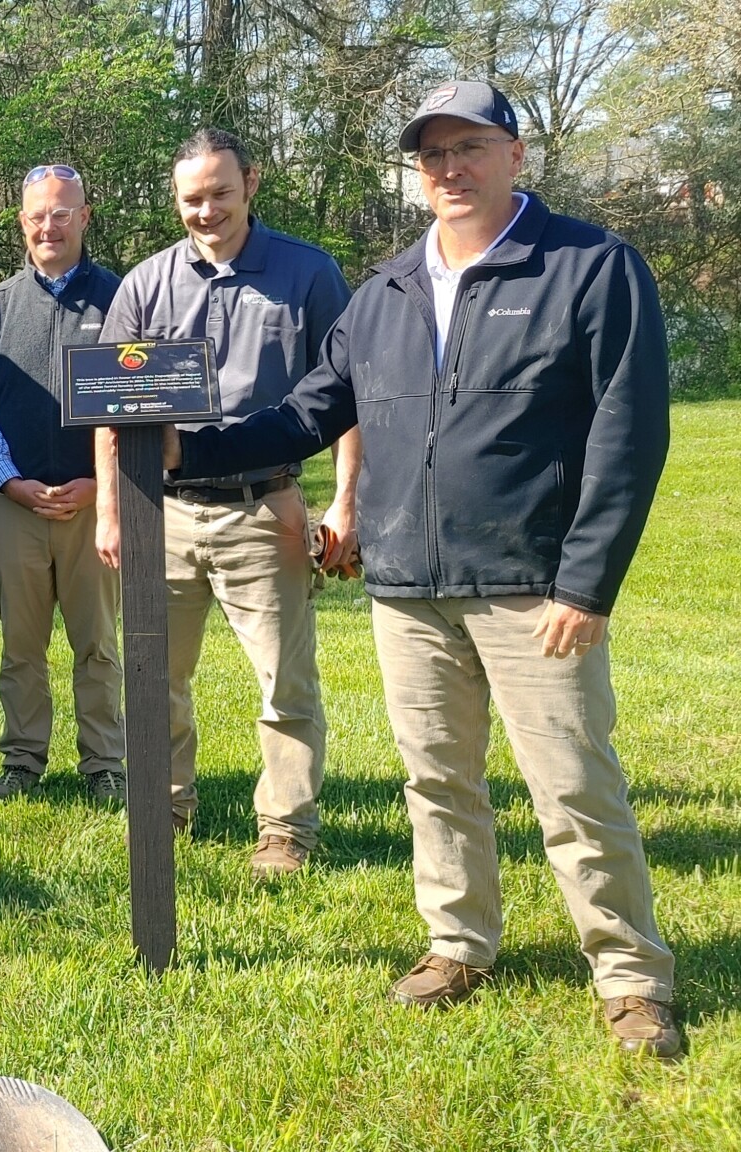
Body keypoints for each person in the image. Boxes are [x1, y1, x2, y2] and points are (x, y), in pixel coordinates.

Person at [166, 81, 682, 1057]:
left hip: (531, 587)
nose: (448, 167)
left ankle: (629, 976)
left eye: (467, 147)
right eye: (431, 153)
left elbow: (627, 434)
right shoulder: (383, 294)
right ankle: (456, 943)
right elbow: (305, 411)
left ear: (514, 155)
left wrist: (585, 582)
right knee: (435, 780)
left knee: (571, 786)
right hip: (405, 587)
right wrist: (184, 451)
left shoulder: (588, 269)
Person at [94, 128, 358, 880]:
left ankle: (284, 827)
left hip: (263, 508)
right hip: (162, 513)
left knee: (285, 684)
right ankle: (166, 806)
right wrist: (112, 512)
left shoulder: (308, 276)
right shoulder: (145, 284)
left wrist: (345, 500)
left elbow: (349, 398)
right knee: (155, 677)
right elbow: (110, 406)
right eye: (191, 199)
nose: (205, 211)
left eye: (219, 193)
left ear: (251, 182)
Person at [0, 164, 126, 804]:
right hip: (16, 507)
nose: (48, 226)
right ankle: (22, 761)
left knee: (99, 646)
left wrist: (100, 486)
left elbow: (136, 404)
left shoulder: (125, 297)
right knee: (20, 648)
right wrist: (10, 482)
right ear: (22, 224)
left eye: (61, 212)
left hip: (96, 507)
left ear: (84, 216)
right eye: (36, 215)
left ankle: (105, 763)